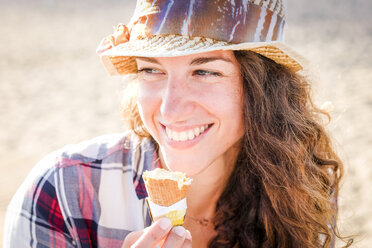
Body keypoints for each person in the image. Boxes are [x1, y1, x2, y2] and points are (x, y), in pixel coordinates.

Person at [4, 0, 352, 247]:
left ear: (264, 90)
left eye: (204, 71)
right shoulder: (63, 193)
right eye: (151, 70)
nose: (170, 111)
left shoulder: (303, 188)